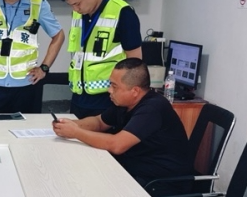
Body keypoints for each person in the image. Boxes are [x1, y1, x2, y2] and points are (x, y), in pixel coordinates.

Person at [52, 58, 192, 186]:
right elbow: (99, 122)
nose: (109, 90)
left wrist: (76, 132)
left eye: (114, 86)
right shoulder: (124, 103)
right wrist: (70, 124)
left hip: (159, 182)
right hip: (133, 169)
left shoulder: (152, 108)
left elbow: (117, 145)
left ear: (135, 91)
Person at [60, 0, 142, 119]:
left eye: (77, 4)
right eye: (71, 5)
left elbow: (135, 62)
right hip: (79, 98)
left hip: (109, 100)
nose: (75, 9)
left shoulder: (122, 13)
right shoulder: (79, 13)